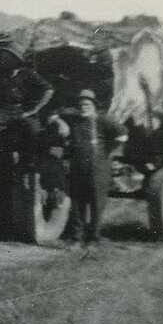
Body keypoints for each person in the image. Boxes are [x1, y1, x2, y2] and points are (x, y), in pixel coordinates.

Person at [0, 45, 54, 188]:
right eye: (3, 58)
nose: (4, 61)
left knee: (34, 131)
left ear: (16, 60)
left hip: (21, 110)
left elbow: (49, 89)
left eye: (8, 58)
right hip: (3, 111)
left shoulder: (27, 74)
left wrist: (35, 109)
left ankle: (27, 168)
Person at [56, 89, 128, 244]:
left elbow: (122, 134)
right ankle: (77, 236)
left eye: (87, 104)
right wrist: (57, 121)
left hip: (98, 166)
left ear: (94, 106)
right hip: (78, 165)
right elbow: (56, 116)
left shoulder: (102, 120)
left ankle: (94, 237)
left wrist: (108, 150)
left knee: (97, 202)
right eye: (81, 105)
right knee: (77, 202)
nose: (83, 107)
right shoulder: (74, 120)